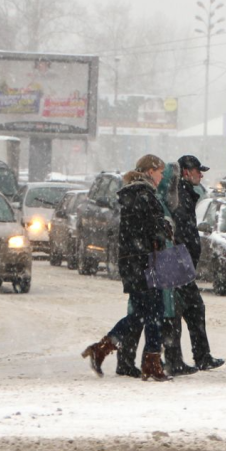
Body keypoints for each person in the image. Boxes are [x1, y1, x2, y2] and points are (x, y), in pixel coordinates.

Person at [81, 154, 173, 382]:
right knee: (154, 312)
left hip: (134, 262)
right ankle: (150, 362)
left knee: (141, 314)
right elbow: (150, 230)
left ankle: (103, 348)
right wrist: (164, 228)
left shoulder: (134, 193)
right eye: (160, 172)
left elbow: (136, 229)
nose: (162, 177)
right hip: (144, 262)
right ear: (150, 171)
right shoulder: (144, 195)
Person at [162, 154, 225, 374]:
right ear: (187, 172)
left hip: (180, 260)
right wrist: (184, 254)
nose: (201, 175)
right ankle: (177, 359)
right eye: (198, 171)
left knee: (189, 309)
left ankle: (194, 357)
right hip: (177, 260)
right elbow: (180, 229)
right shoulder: (179, 194)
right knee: (179, 310)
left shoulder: (186, 193)